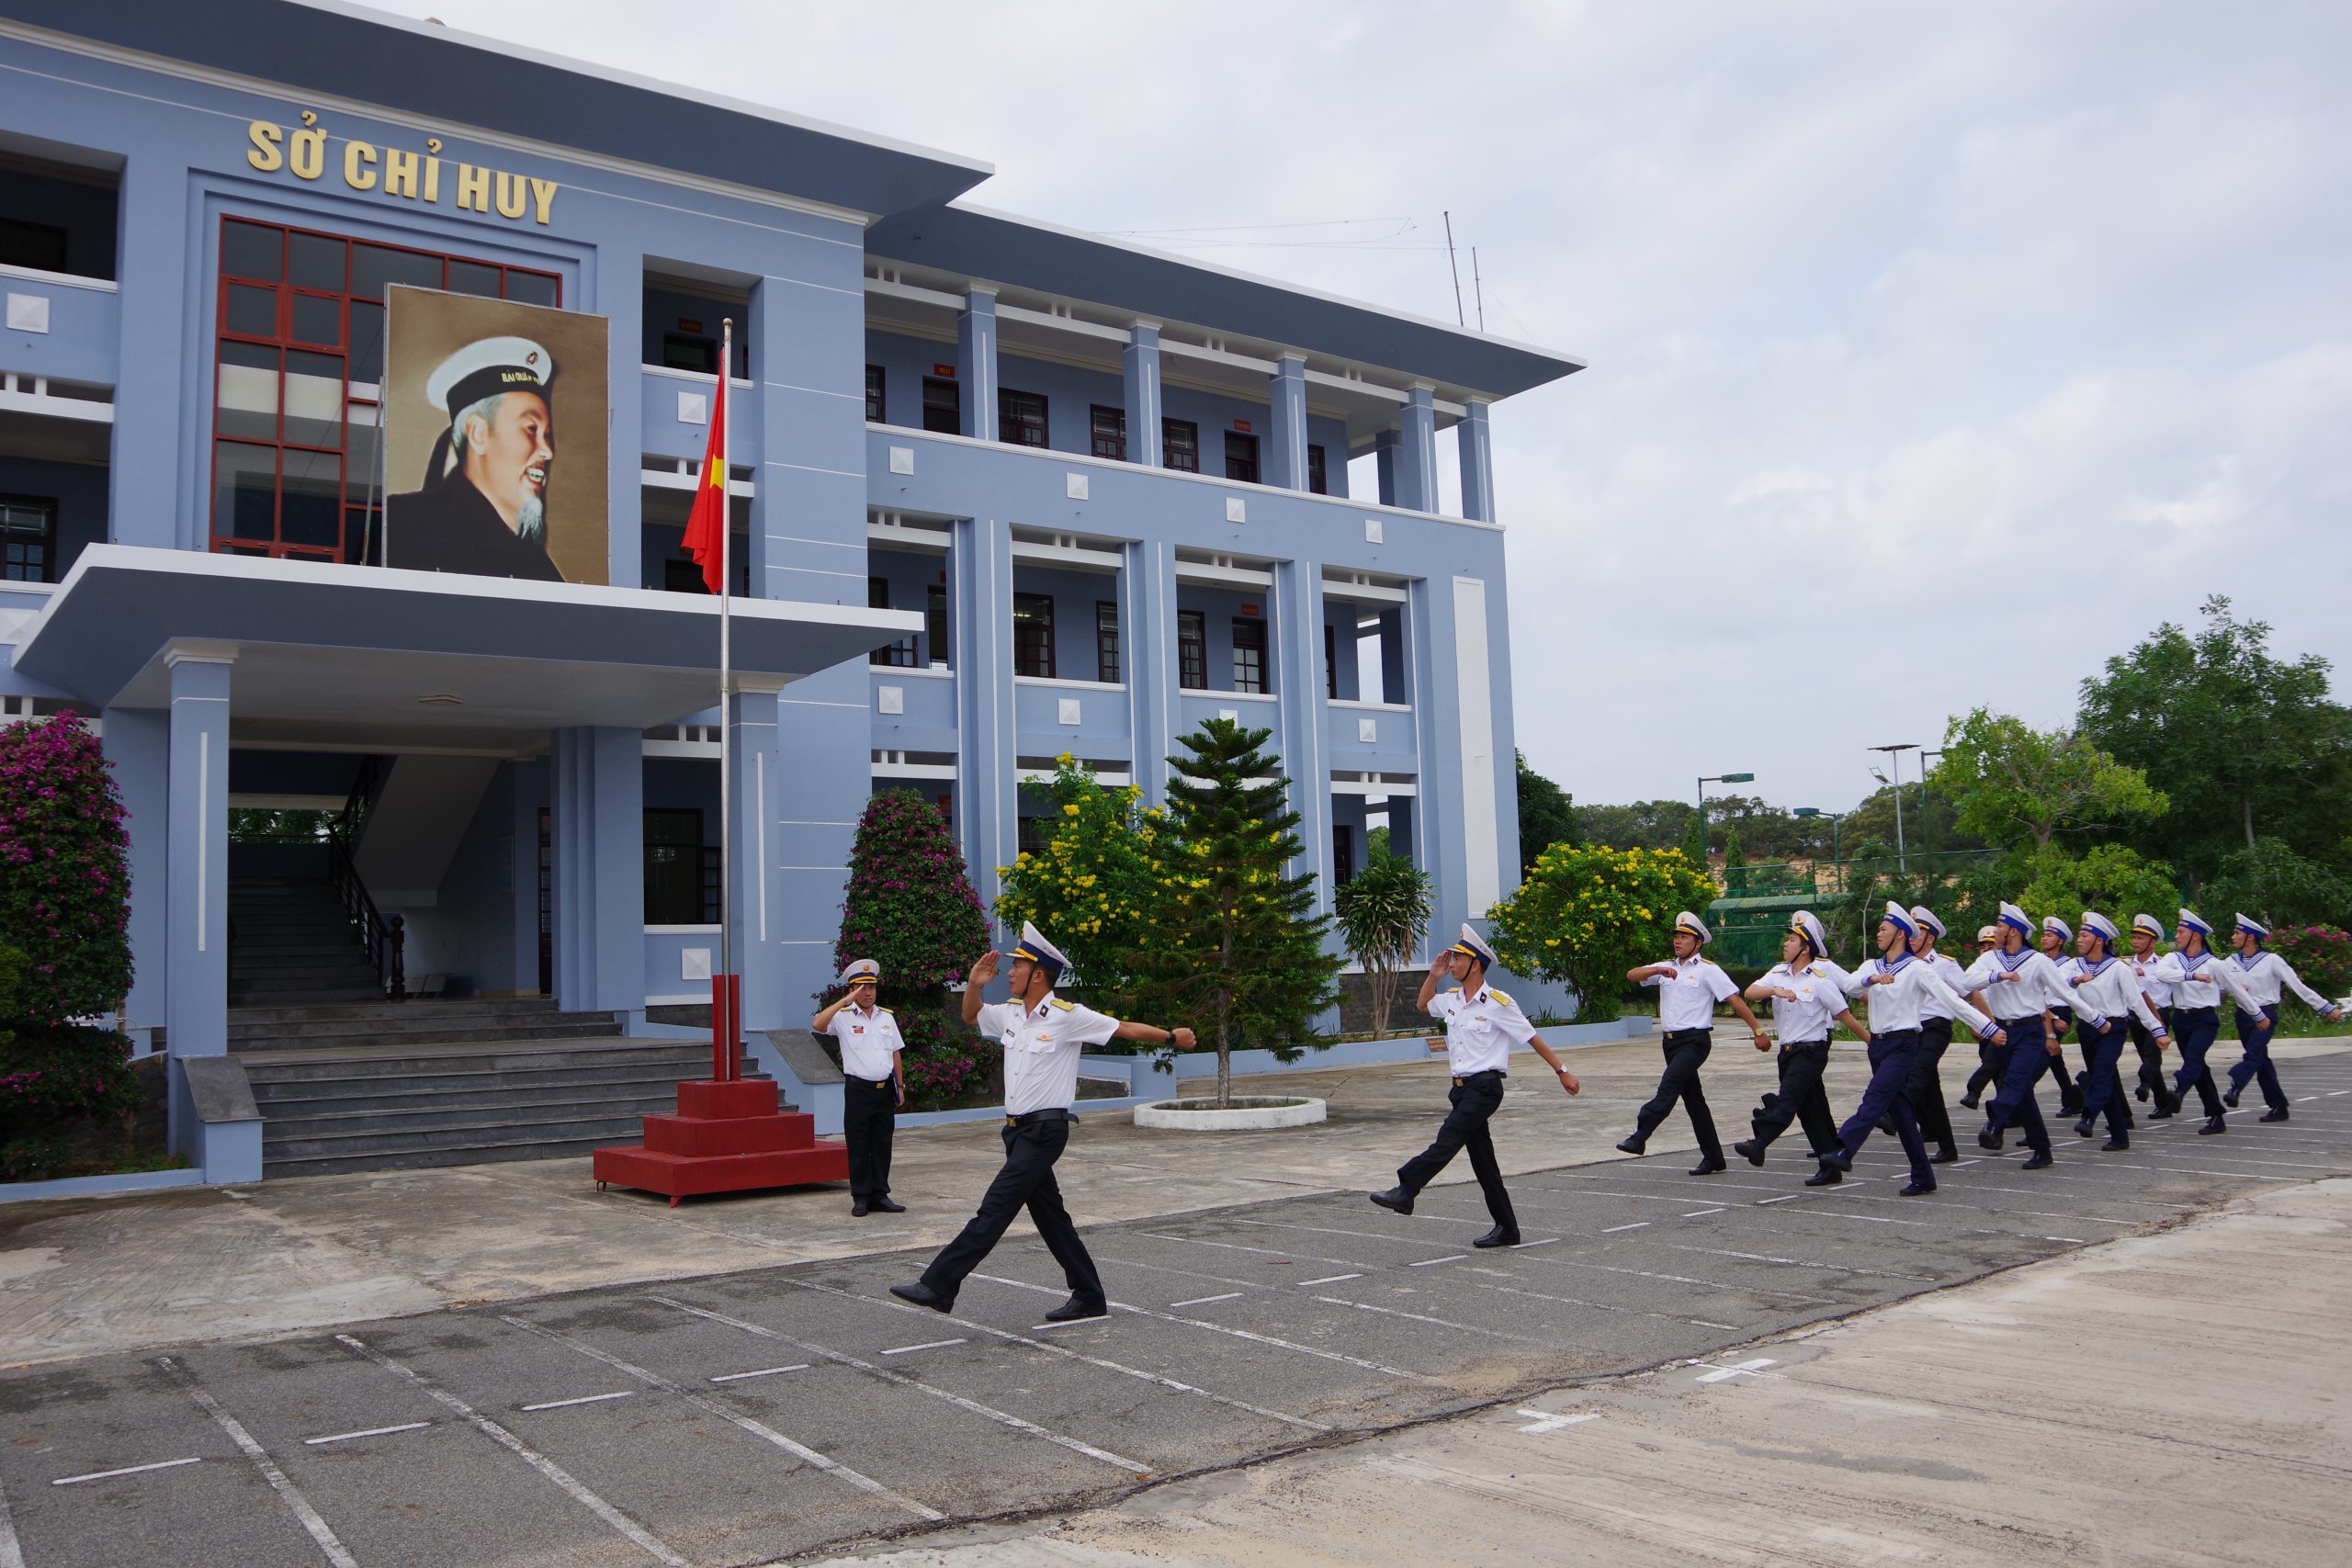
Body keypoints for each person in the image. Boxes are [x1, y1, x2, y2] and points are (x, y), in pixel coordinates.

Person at [892, 923, 1196, 1321]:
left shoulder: (1068, 1017)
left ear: (1038, 975)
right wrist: (973, 985)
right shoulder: (1010, 1014)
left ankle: (939, 1284)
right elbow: (970, 1016)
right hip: (1015, 1132)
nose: (1009, 972)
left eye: (1017, 966)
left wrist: (1171, 1037)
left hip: (1045, 1130)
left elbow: (1122, 1028)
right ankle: (1089, 1295)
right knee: (1052, 1219)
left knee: (995, 1208)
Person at [1368, 925, 1582, 1247]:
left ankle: (1407, 1189)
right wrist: (1433, 976)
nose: (1452, 963)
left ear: (1476, 965)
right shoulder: (1453, 999)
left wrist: (1562, 1071)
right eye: (1452, 958)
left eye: (1458, 959)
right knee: (1484, 1164)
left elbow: (1532, 1038)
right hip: (1460, 1089)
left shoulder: (1498, 1003)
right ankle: (1507, 1228)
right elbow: (1423, 1005)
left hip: (1485, 1088)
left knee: (1447, 1139)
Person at [1818, 904, 2002, 1194]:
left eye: (1884, 929)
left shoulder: (1918, 968)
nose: (1878, 933)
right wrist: (1871, 979)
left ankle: (1844, 1149)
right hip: (1877, 1046)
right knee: (1903, 1116)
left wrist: (1989, 1028)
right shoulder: (1872, 966)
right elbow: (1851, 986)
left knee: (1875, 1097)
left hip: (1902, 1045)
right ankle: (1924, 1177)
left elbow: (1953, 1001)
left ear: (1900, 934)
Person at [389, 335, 564, 581]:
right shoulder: (404, 523)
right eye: (531, 429)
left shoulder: (540, 568)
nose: (547, 451)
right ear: (478, 433)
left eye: (546, 435)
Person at [1617, 912, 1771, 1176]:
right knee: (1694, 1102)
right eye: (1677, 936)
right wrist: (1658, 970)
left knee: (1668, 1087)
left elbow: (1734, 1000)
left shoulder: (1708, 970)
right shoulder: (1666, 967)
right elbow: (1632, 975)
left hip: (1694, 1042)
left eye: (1684, 937)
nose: (1678, 941)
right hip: (1670, 1043)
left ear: (1698, 943)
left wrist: (1758, 1030)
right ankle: (1714, 1158)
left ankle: (1640, 1136)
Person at [1733, 910, 1869, 1169]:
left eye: (1792, 940)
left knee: (1788, 1100)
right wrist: (1774, 990)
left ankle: (1759, 1143)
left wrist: (1871, 1041)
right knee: (1811, 1110)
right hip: (1787, 1053)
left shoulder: (1819, 980)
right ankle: (1830, 1165)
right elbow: (1750, 992)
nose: (1786, 944)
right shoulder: (1778, 974)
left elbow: (1844, 1016)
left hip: (1811, 1051)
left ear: (1805, 949)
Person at [1962, 901, 2073, 1170]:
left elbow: (2064, 993)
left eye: (2000, 925)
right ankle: (2042, 1149)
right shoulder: (1991, 959)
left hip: (2030, 1030)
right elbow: (1967, 981)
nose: (1995, 930)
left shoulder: (2037, 961)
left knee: (2014, 1081)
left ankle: (1994, 1123)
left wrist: (2093, 1017)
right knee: (2021, 1091)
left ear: (2013, 931)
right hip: (2002, 1029)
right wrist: (1998, 976)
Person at [2221, 914, 2345, 1123]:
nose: (2233, 937)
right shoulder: (2230, 962)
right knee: (2261, 1062)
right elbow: (2219, 986)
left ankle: (2235, 1087)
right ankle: (2279, 1106)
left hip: (2266, 1014)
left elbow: (2297, 986)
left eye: (2237, 933)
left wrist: (2326, 1008)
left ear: (2250, 937)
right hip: (2244, 1017)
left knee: (2253, 1055)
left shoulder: (2272, 960)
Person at [2064, 913, 2172, 1151]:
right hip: (2087, 1028)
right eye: (2079, 935)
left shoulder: (2118, 968)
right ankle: (2120, 1134)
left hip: (2113, 1028)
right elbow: (2057, 986)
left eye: (2085, 935)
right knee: (2106, 1080)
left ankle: (2088, 1116)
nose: (2079, 940)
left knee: (2102, 1073)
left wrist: (2157, 1031)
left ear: (2099, 940)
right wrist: (2075, 980)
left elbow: (2137, 1003)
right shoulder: (2074, 966)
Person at [813, 958, 905, 1217]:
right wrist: (845, 1001)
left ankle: (880, 1194)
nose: (868, 993)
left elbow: (895, 1052)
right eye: (862, 988)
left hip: (884, 1088)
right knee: (859, 1143)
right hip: (859, 1090)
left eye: (871, 987)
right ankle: (861, 1196)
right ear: (852, 990)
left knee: (882, 1143)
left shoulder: (886, 1017)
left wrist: (900, 1086)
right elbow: (818, 1025)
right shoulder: (843, 1017)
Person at [1888, 905, 1970, 1165]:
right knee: (1930, 1091)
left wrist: (1983, 1023)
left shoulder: (1945, 964)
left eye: (1918, 933)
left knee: (1917, 1073)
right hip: (1913, 1029)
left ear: (1931, 938)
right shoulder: (1905, 964)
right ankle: (1947, 1146)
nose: (1912, 938)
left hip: (1937, 1027)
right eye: (1910, 933)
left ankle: (1894, 1115)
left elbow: (1969, 992)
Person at [2146, 909, 2237, 1135]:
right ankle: (2216, 1116)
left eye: (2181, 932)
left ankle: (2178, 1090)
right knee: (2199, 1068)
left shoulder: (2214, 964)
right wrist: (2192, 976)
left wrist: (2257, 1015)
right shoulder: (2172, 959)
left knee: (2194, 1057)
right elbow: (2161, 974)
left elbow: (2236, 990)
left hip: (2204, 1019)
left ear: (2195, 935)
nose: (2176, 936)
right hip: (2181, 1019)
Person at [2125, 914, 2186, 1118]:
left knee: (2152, 1055)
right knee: (2148, 1059)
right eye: (2134, 937)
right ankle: (2163, 1103)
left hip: (2159, 1015)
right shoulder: (2126, 966)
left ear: (2153, 942)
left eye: (2141, 938)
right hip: (2136, 1017)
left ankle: (2143, 1085)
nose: (2135, 941)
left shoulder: (2163, 966)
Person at [2040, 915, 2089, 1119]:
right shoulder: (2038, 960)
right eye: (2043, 934)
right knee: (2054, 1059)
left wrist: (2055, 1018)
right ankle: (2072, 1098)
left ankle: (2072, 1098)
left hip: (2059, 1012)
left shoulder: (2069, 964)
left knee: (2046, 1054)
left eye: (2050, 935)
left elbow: (2067, 986)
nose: (2044, 938)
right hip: (2041, 1012)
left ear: (2060, 941)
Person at [1960, 925, 2006, 1110]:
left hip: (2003, 1027)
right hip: (1987, 1031)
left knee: (1998, 1070)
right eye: (1983, 946)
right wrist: (1974, 1025)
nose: (1986, 949)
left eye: (1990, 946)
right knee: (1995, 1072)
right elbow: (1969, 997)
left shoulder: (2004, 968)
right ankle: (2005, 1111)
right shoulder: (1976, 973)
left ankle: (1976, 1093)